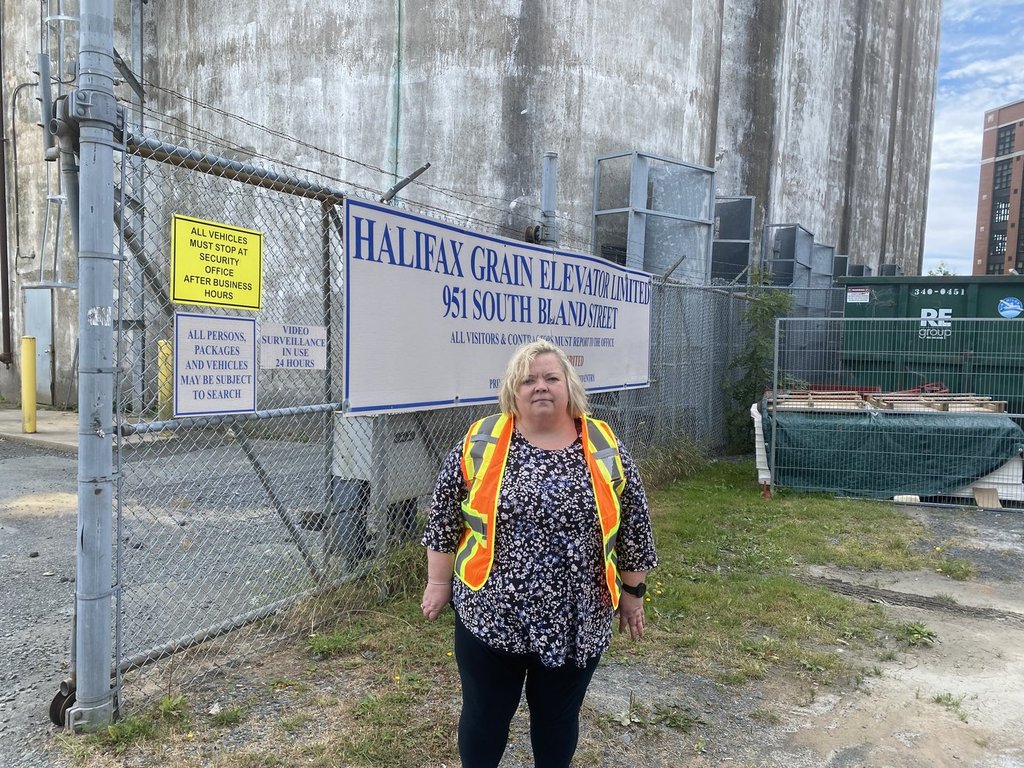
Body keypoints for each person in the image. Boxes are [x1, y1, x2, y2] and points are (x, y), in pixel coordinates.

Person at [421, 338, 658, 768]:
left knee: (557, 721)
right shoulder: (481, 441)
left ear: (569, 385)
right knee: (485, 718)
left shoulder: (604, 444)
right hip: (491, 616)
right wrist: (438, 583)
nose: (541, 386)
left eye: (551, 377)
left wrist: (633, 592)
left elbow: (635, 523)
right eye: (528, 379)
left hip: (577, 620)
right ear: (513, 391)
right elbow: (443, 515)